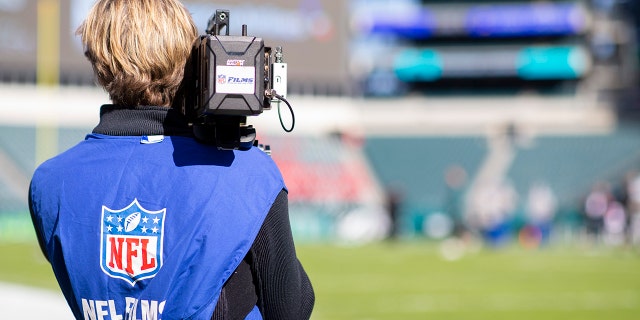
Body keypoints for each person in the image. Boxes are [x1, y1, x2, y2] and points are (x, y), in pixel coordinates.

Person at [28, 1, 314, 319]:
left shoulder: (49, 180)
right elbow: (293, 306)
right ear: (190, 58)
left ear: (98, 59)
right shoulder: (249, 174)